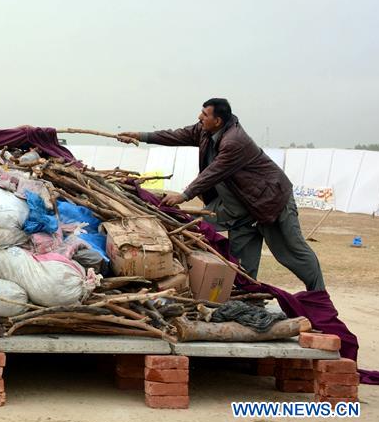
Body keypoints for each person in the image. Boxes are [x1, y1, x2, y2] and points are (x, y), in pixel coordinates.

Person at [117, 98, 325, 291]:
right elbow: (175, 135)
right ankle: (248, 299)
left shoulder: (235, 141)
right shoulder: (205, 131)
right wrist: (140, 136)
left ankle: (319, 297)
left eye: (204, 115)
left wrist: (184, 195)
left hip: (270, 202)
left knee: (293, 253)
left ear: (217, 120)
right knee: (240, 263)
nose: (200, 118)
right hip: (240, 208)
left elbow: (214, 172)